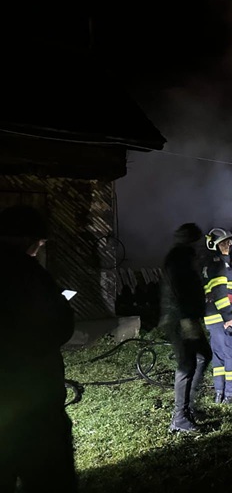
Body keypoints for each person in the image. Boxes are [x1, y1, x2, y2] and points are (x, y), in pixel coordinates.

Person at [0, 205, 78, 492]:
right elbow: (59, 326)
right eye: (40, 244)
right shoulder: (27, 272)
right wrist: (60, 305)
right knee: (50, 478)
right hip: (34, 401)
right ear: (28, 239)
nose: (39, 250)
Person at [159, 222, 212, 433]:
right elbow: (179, 289)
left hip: (188, 317)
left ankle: (187, 408)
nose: (199, 245)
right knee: (187, 364)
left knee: (203, 356)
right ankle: (179, 418)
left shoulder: (185, 256)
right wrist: (186, 319)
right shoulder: (178, 258)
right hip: (181, 319)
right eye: (197, 240)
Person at [201, 227, 232, 404]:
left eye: (229, 242)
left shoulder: (209, 265)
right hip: (225, 319)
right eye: (225, 243)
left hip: (213, 320)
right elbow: (221, 293)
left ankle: (220, 393)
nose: (229, 245)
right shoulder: (219, 265)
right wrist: (228, 318)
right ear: (214, 246)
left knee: (219, 357)